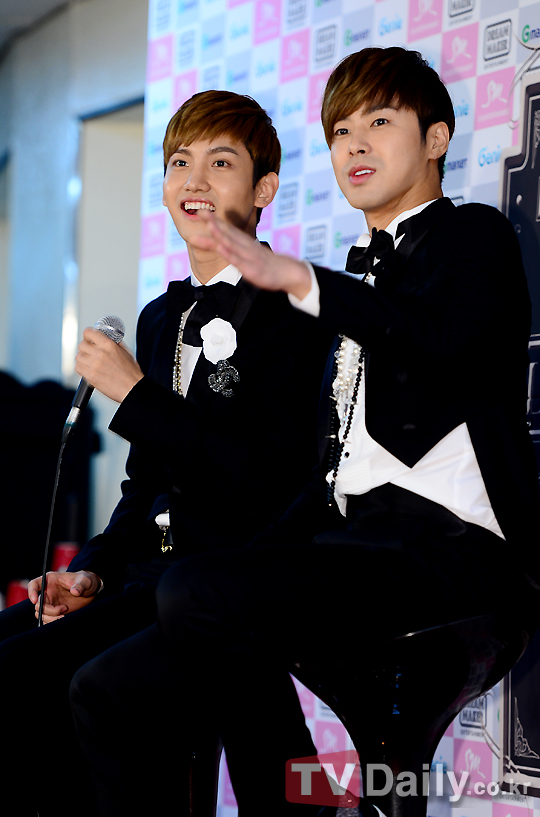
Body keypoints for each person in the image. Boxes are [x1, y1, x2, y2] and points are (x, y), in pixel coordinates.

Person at [142, 47, 540, 813]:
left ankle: (300, 807)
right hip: (365, 542)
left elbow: (442, 338)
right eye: (339, 131)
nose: (354, 144)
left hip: (459, 554)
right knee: (192, 590)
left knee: (200, 592)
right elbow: (332, 474)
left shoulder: (474, 236)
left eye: (378, 122)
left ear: (437, 138)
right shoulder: (358, 290)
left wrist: (301, 281)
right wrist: (243, 559)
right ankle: (303, 801)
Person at [0, 90, 331, 817]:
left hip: (220, 587)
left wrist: (136, 394)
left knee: (62, 681)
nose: (194, 181)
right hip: (141, 581)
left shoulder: (297, 312)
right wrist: (89, 570)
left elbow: (269, 480)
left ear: (265, 189)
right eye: (180, 162)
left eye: (221, 163)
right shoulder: (159, 317)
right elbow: (143, 485)